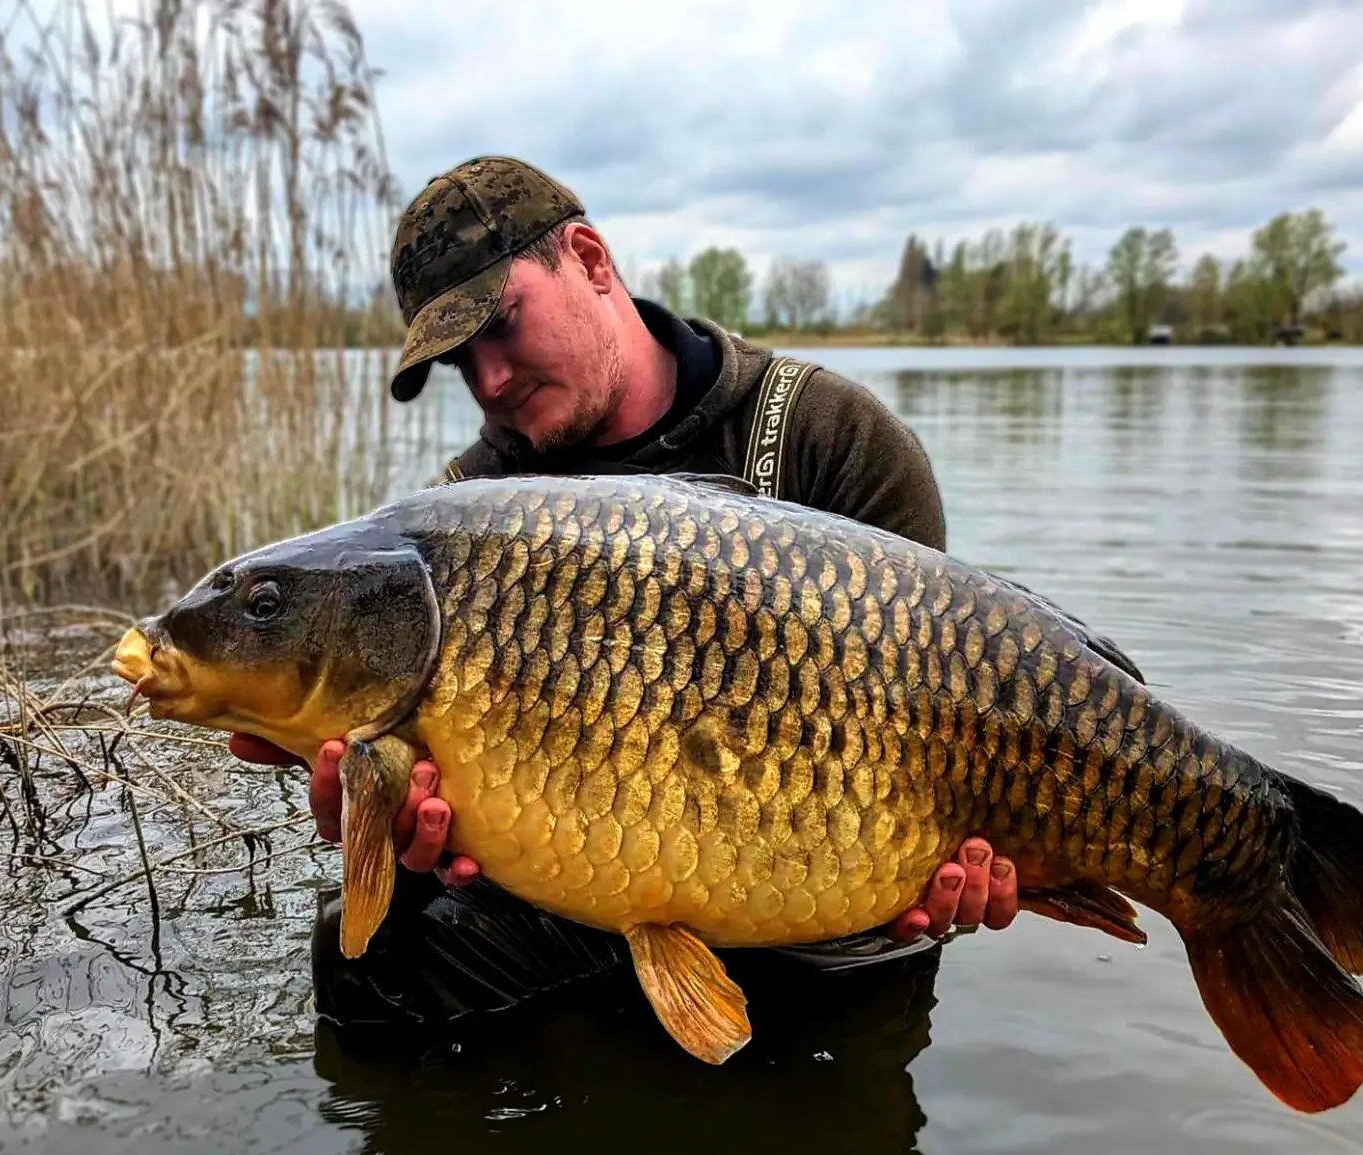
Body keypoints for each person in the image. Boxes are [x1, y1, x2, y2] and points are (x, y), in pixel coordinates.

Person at [229, 155, 1019, 1027]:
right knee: (360, 959)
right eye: (459, 362)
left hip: (827, 906)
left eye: (500, 324)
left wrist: (973, 858)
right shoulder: (463, 517)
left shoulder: (830, 437)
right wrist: (389, 825)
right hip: (591, 884)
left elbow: (951, 715)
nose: (489, 380)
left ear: (591, 259)